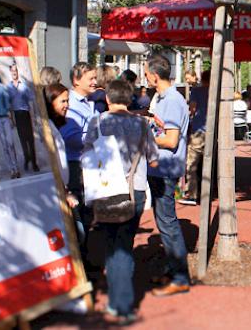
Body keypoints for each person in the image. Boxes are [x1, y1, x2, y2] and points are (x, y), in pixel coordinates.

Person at [84, 80, 159, 325]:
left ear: (107, 99)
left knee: (110, 243)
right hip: (133, 191)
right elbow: (154, 159)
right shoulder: (141, 123)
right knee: (124, 245)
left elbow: (87, 154)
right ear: (131, 99)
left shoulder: (96, 122)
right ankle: (122, 305)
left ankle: (120, 304)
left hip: (106, 190)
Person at [143, 53, 191, 297]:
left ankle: (181, 277)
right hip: (159, 167)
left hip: (165, 168)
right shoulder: (163, 98)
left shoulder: (171, 99)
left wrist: (145, 138)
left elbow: (171, 140)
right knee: (164, 222)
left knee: (168, 222)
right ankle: (173, 270)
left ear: (153, 76)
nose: (145, 77)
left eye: (146, 73)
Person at [60, 62, 98, 242]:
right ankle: (80, 259)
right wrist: (97, 140)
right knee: (79, 215)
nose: (94, 82)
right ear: (76, 80)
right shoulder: (73, 104)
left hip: (85, 164)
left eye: (95, 78)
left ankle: (84, 255)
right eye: (91, 78)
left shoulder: (85, 102)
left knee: (86, 213)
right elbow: (71, 138)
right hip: (76, 166)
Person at [180, 70, 210, 205]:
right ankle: (209, 191)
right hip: (213, 131)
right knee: (209, 163)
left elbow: (192, 109)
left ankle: (192, 193)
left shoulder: (197, 91)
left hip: (199, 130)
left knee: (192, 163)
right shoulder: (218, 92)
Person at [7, 64, 39, 172]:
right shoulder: (9, 87)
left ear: (17, 72)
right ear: (10, 73)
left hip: (26, 114)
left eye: (15, 71)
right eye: (12, 71)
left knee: (30, 139)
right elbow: (10, 104)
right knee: (22, 140)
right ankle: (27, 159)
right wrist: (11, 118)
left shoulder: (24, 85)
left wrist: (33, 116)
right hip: (17, 115)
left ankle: (34, 162)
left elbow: (31, 100)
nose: (14, 73)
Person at [44, 83, 70, 185]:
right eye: (63, 101)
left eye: (67, 101)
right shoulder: (47, 127)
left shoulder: (57, 123)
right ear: (51, 102)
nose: (67, 105)